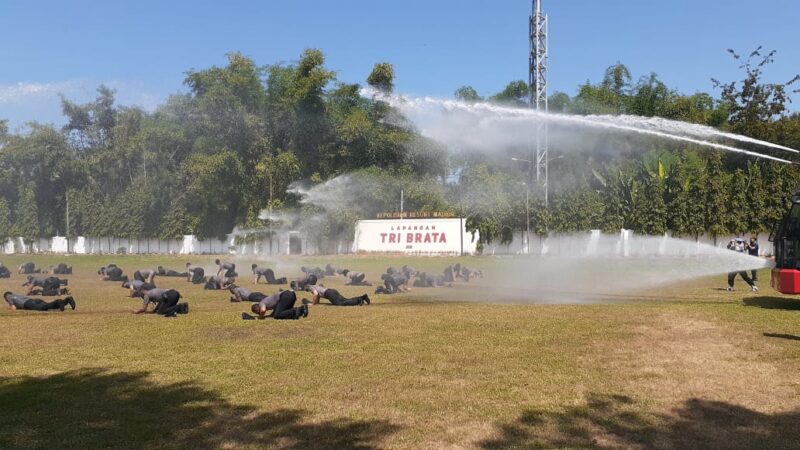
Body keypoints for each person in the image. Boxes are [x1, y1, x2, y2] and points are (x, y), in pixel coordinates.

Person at [244, 290, 308, 320]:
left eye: (257, 312)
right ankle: (300, 312)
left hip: (285, 296)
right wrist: (269, 316)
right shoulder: (268, 303)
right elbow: (274, 313)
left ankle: (300, 309)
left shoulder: (261, 303)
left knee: (277, 315)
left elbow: (263, 310)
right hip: (290, 295)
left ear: (257, 308)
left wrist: (260, 317)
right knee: (281, 313)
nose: (258, 313)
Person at [4, 291, 75, 311]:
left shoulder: (8, 296)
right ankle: (67, 300)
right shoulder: (16, 294)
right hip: (34, 300)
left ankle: (58, 301)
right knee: (49, 306)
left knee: (42, 308)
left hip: (28, 303)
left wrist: (10, 307)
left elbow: (14, 308)